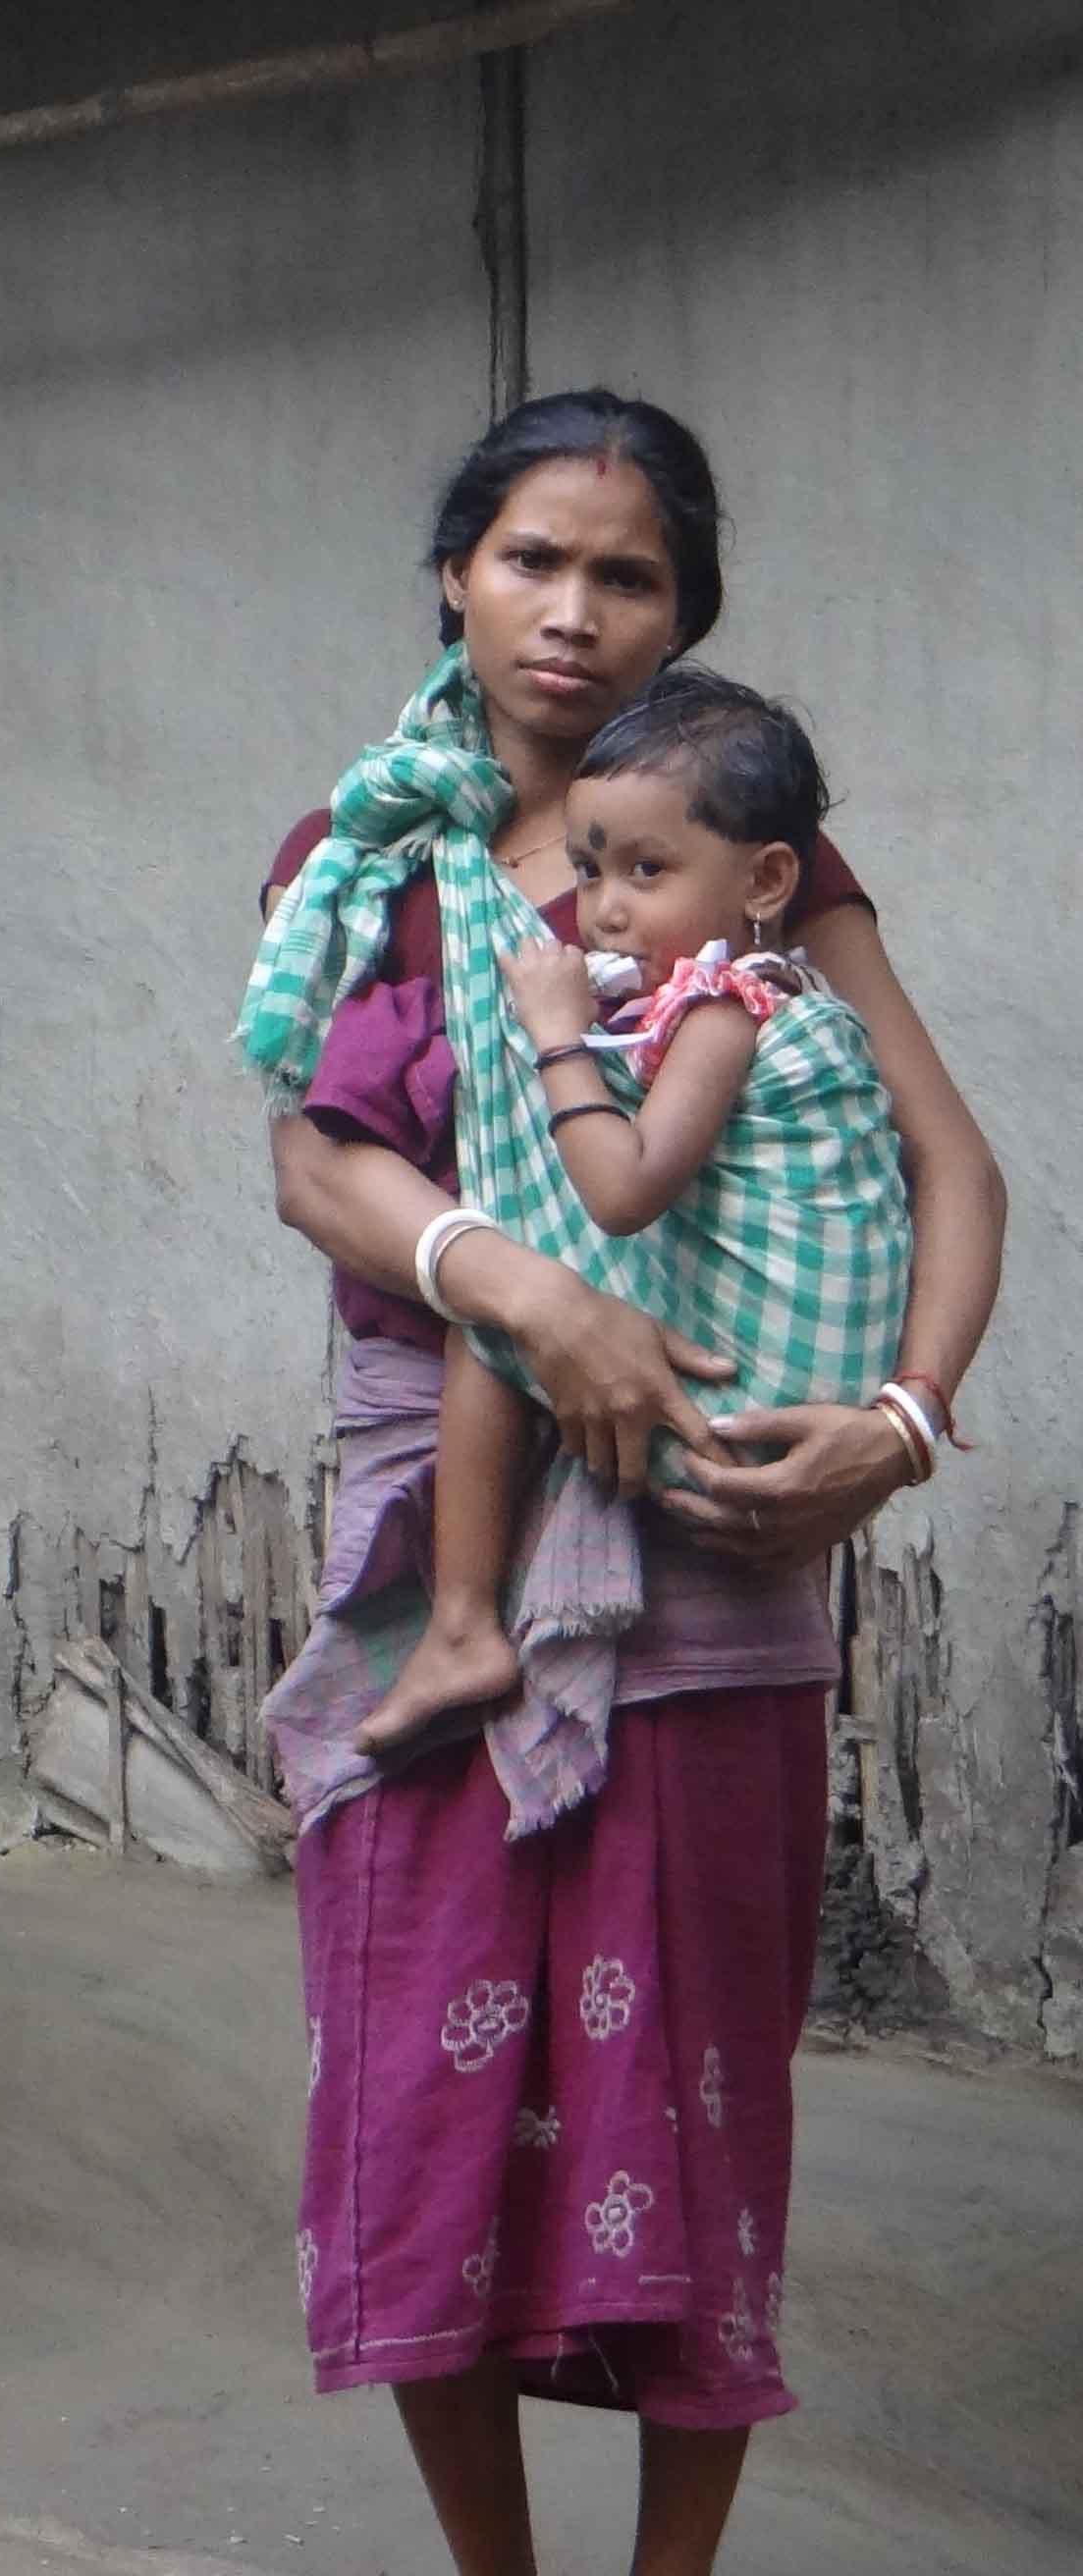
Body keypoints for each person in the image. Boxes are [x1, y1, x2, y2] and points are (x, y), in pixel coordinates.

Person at [249, 392, 1003, 2576]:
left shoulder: (738, 855)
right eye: (530, 561)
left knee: (696, 2075)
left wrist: (903, 1421)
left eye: (629, 576)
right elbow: (311, 1158)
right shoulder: (360, 855)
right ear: (454, 576)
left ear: (685, 611)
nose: (571, 612)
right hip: (436, 1526)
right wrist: (527, 1295)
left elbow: (955, 1166)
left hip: (716, 1518)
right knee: (417, 2076)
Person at [342, 671, 916, 1761]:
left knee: (493, 1283)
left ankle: (460, 1623)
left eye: (645, 871)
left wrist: (555, 1034)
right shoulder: (771, 994)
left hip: (732, 1408)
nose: (603, 907)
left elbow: (619, 1190)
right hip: (781, 1404)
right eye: (589, 867)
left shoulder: (722, 1003)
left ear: (765, 878)